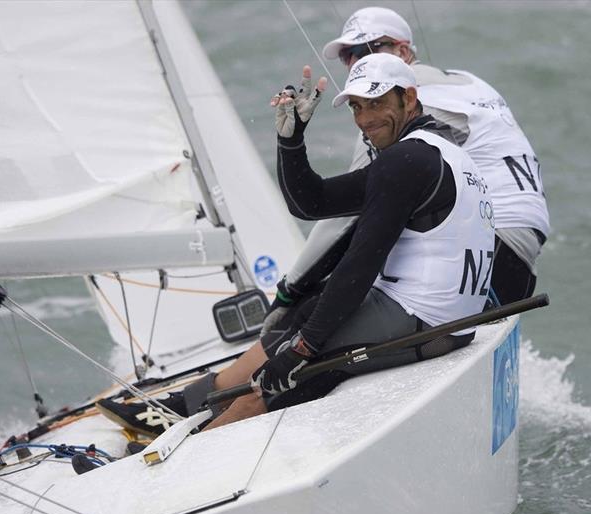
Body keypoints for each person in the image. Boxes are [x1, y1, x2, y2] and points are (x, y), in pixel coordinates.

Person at [97, 53, 495, 435]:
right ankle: (188, 403)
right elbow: (312, 203)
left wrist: (302, 349)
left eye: (375, 103)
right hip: (441, 318)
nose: (366, 120)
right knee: (305, 310)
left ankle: (189, 454)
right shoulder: (436, 154)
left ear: (409, 97)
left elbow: (359, 266)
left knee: (277, 375)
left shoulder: (404, 163)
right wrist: (291, 141)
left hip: (424, 322)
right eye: (356, 107)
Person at [263, 6, 549, 337]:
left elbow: (343, 219)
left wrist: (289, 291)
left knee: (315, 309)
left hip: (490, 249)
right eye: (347, 56)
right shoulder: (471, 82)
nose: (354, 64)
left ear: (402, 51)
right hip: (521, 254)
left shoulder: (392, 106)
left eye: (365, 50)